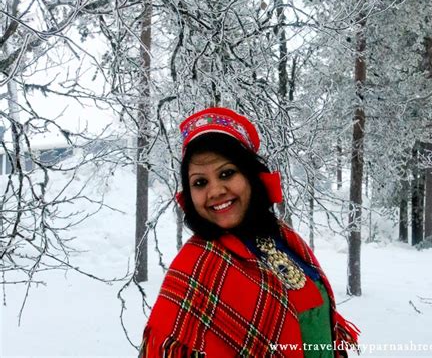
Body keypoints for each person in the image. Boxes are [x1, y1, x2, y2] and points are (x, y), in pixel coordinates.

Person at [139, 107, 360, 358]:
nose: (215, 191)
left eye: (227, 173)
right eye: (200, 182)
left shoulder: (283, 240)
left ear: (251, 177)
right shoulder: (196, 268)